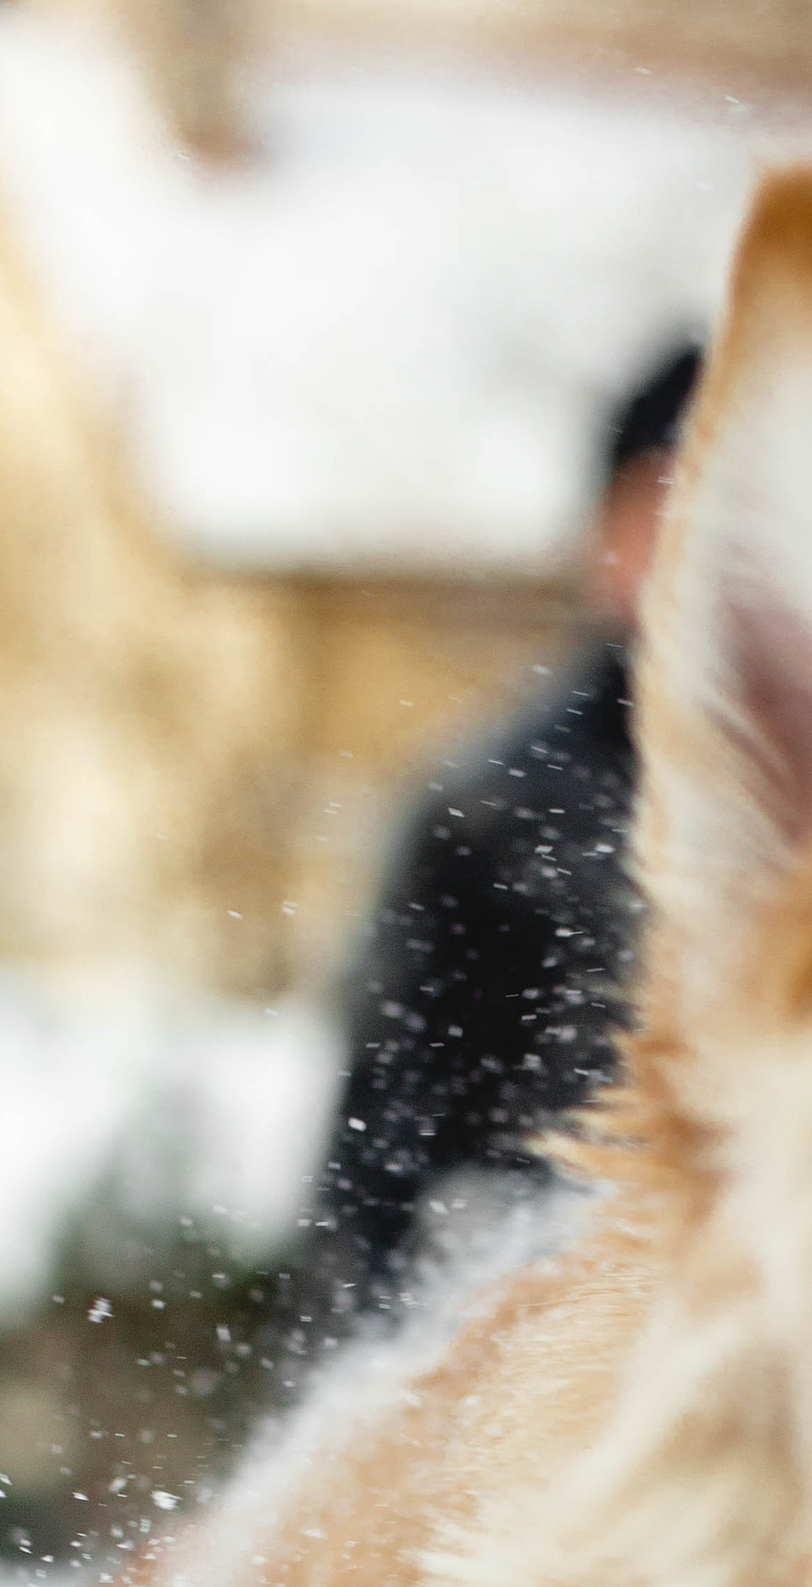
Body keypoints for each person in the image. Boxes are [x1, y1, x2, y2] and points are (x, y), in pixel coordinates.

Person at [290, 342, 703, 1349]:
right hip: (545, 1334)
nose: (686, 543)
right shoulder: (494, 811)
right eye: (656, 505)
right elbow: (376, 1158)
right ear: (603, 539)